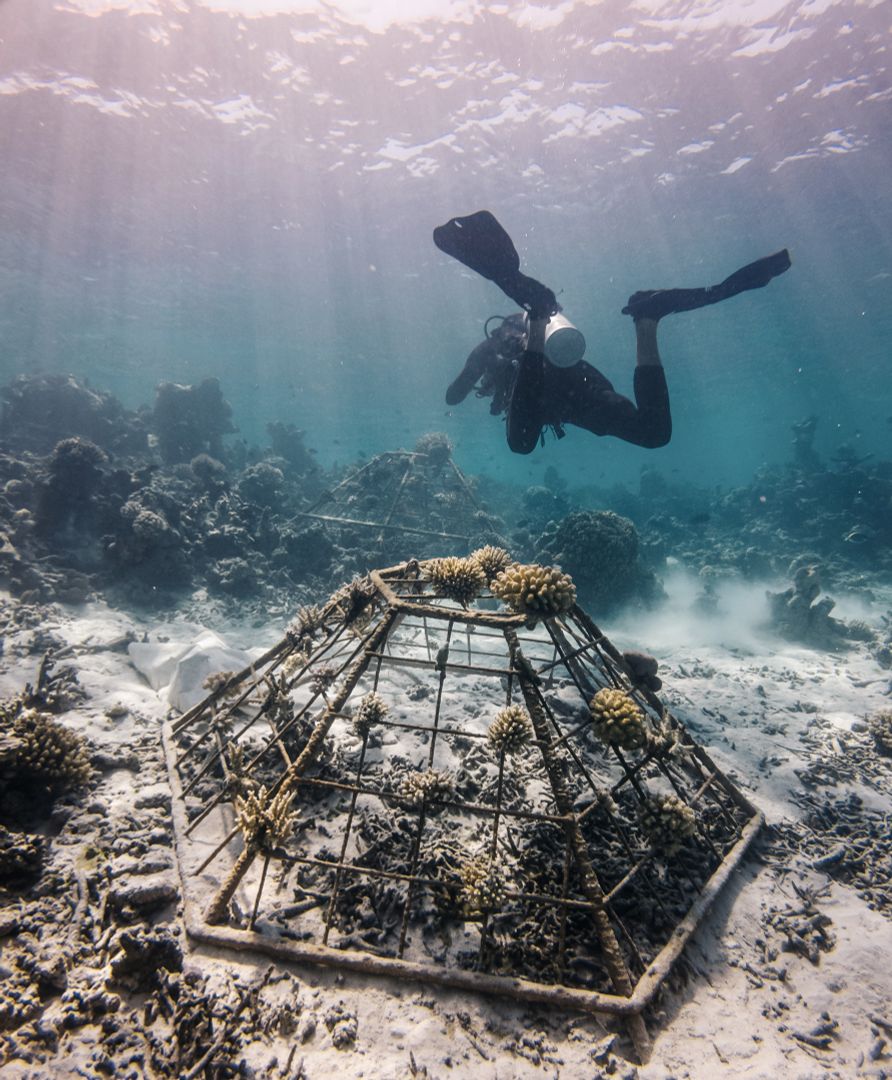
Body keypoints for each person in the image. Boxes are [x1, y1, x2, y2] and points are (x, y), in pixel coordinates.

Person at [434, 211, 791, 455]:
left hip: (553, 387)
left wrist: (474, 369)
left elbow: (453, 397)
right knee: (653, 433)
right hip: (574, 382)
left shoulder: (488, 349)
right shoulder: (499, 348)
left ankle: (542, 318)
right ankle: (646, 320)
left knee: (521, 443)